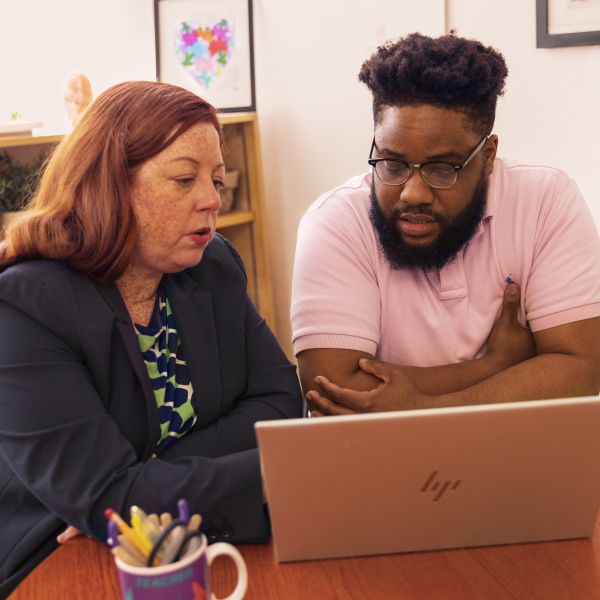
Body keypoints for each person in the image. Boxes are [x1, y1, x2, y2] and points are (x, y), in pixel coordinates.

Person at [0, 80, 302, 595]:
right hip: (61, 554)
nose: (212, 200)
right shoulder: (25, 306)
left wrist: (147, 478)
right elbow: (107, 495)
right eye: (184, 179)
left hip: (182, 536)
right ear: (109, 186)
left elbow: (278, 404)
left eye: (216, 177)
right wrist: (287, 475)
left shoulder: (214, 266)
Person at [291, 33, 600, 416]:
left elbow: (584, 368)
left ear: (487, 156)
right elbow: (334, 390)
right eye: (393, 164)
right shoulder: (335, 221)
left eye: (442, 168)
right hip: (376, 460)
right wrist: (497, 365)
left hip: (516, 452)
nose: (412, 193)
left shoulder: (545, 200)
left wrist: (424, 405)